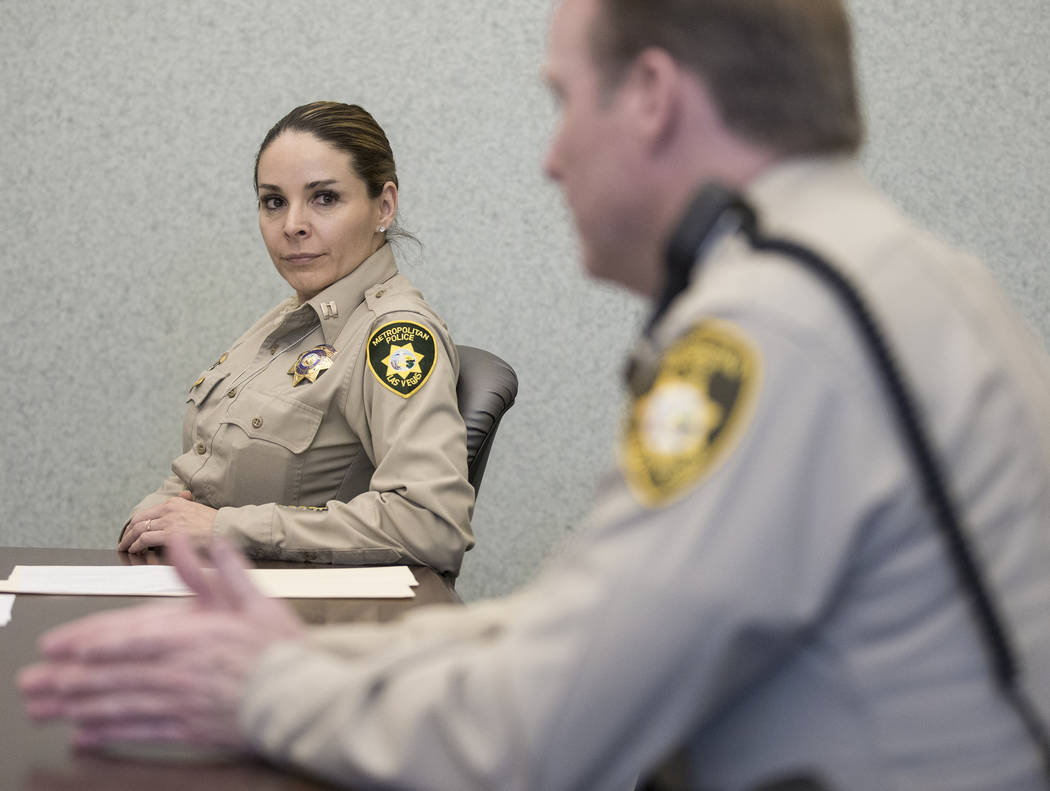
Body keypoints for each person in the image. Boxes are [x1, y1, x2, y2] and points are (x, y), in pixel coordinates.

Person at [19, 1, 1050, 788]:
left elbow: (551, 719)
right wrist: (314, 649)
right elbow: (588, 624)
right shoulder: (896, 277)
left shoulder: (772, 334)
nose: (552, 160)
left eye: (565, 103)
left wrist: (261, 686)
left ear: (651, 96)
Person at [116, 101, 475, 577]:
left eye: (324, 198)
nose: (292, 225)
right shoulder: (288, 318)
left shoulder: (395, 336)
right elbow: (201, 474)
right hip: (213, 602)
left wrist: (226, 529)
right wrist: (151, 522)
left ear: (383, 206)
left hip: (312, 627)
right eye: (274, 201)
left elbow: (431, 523)